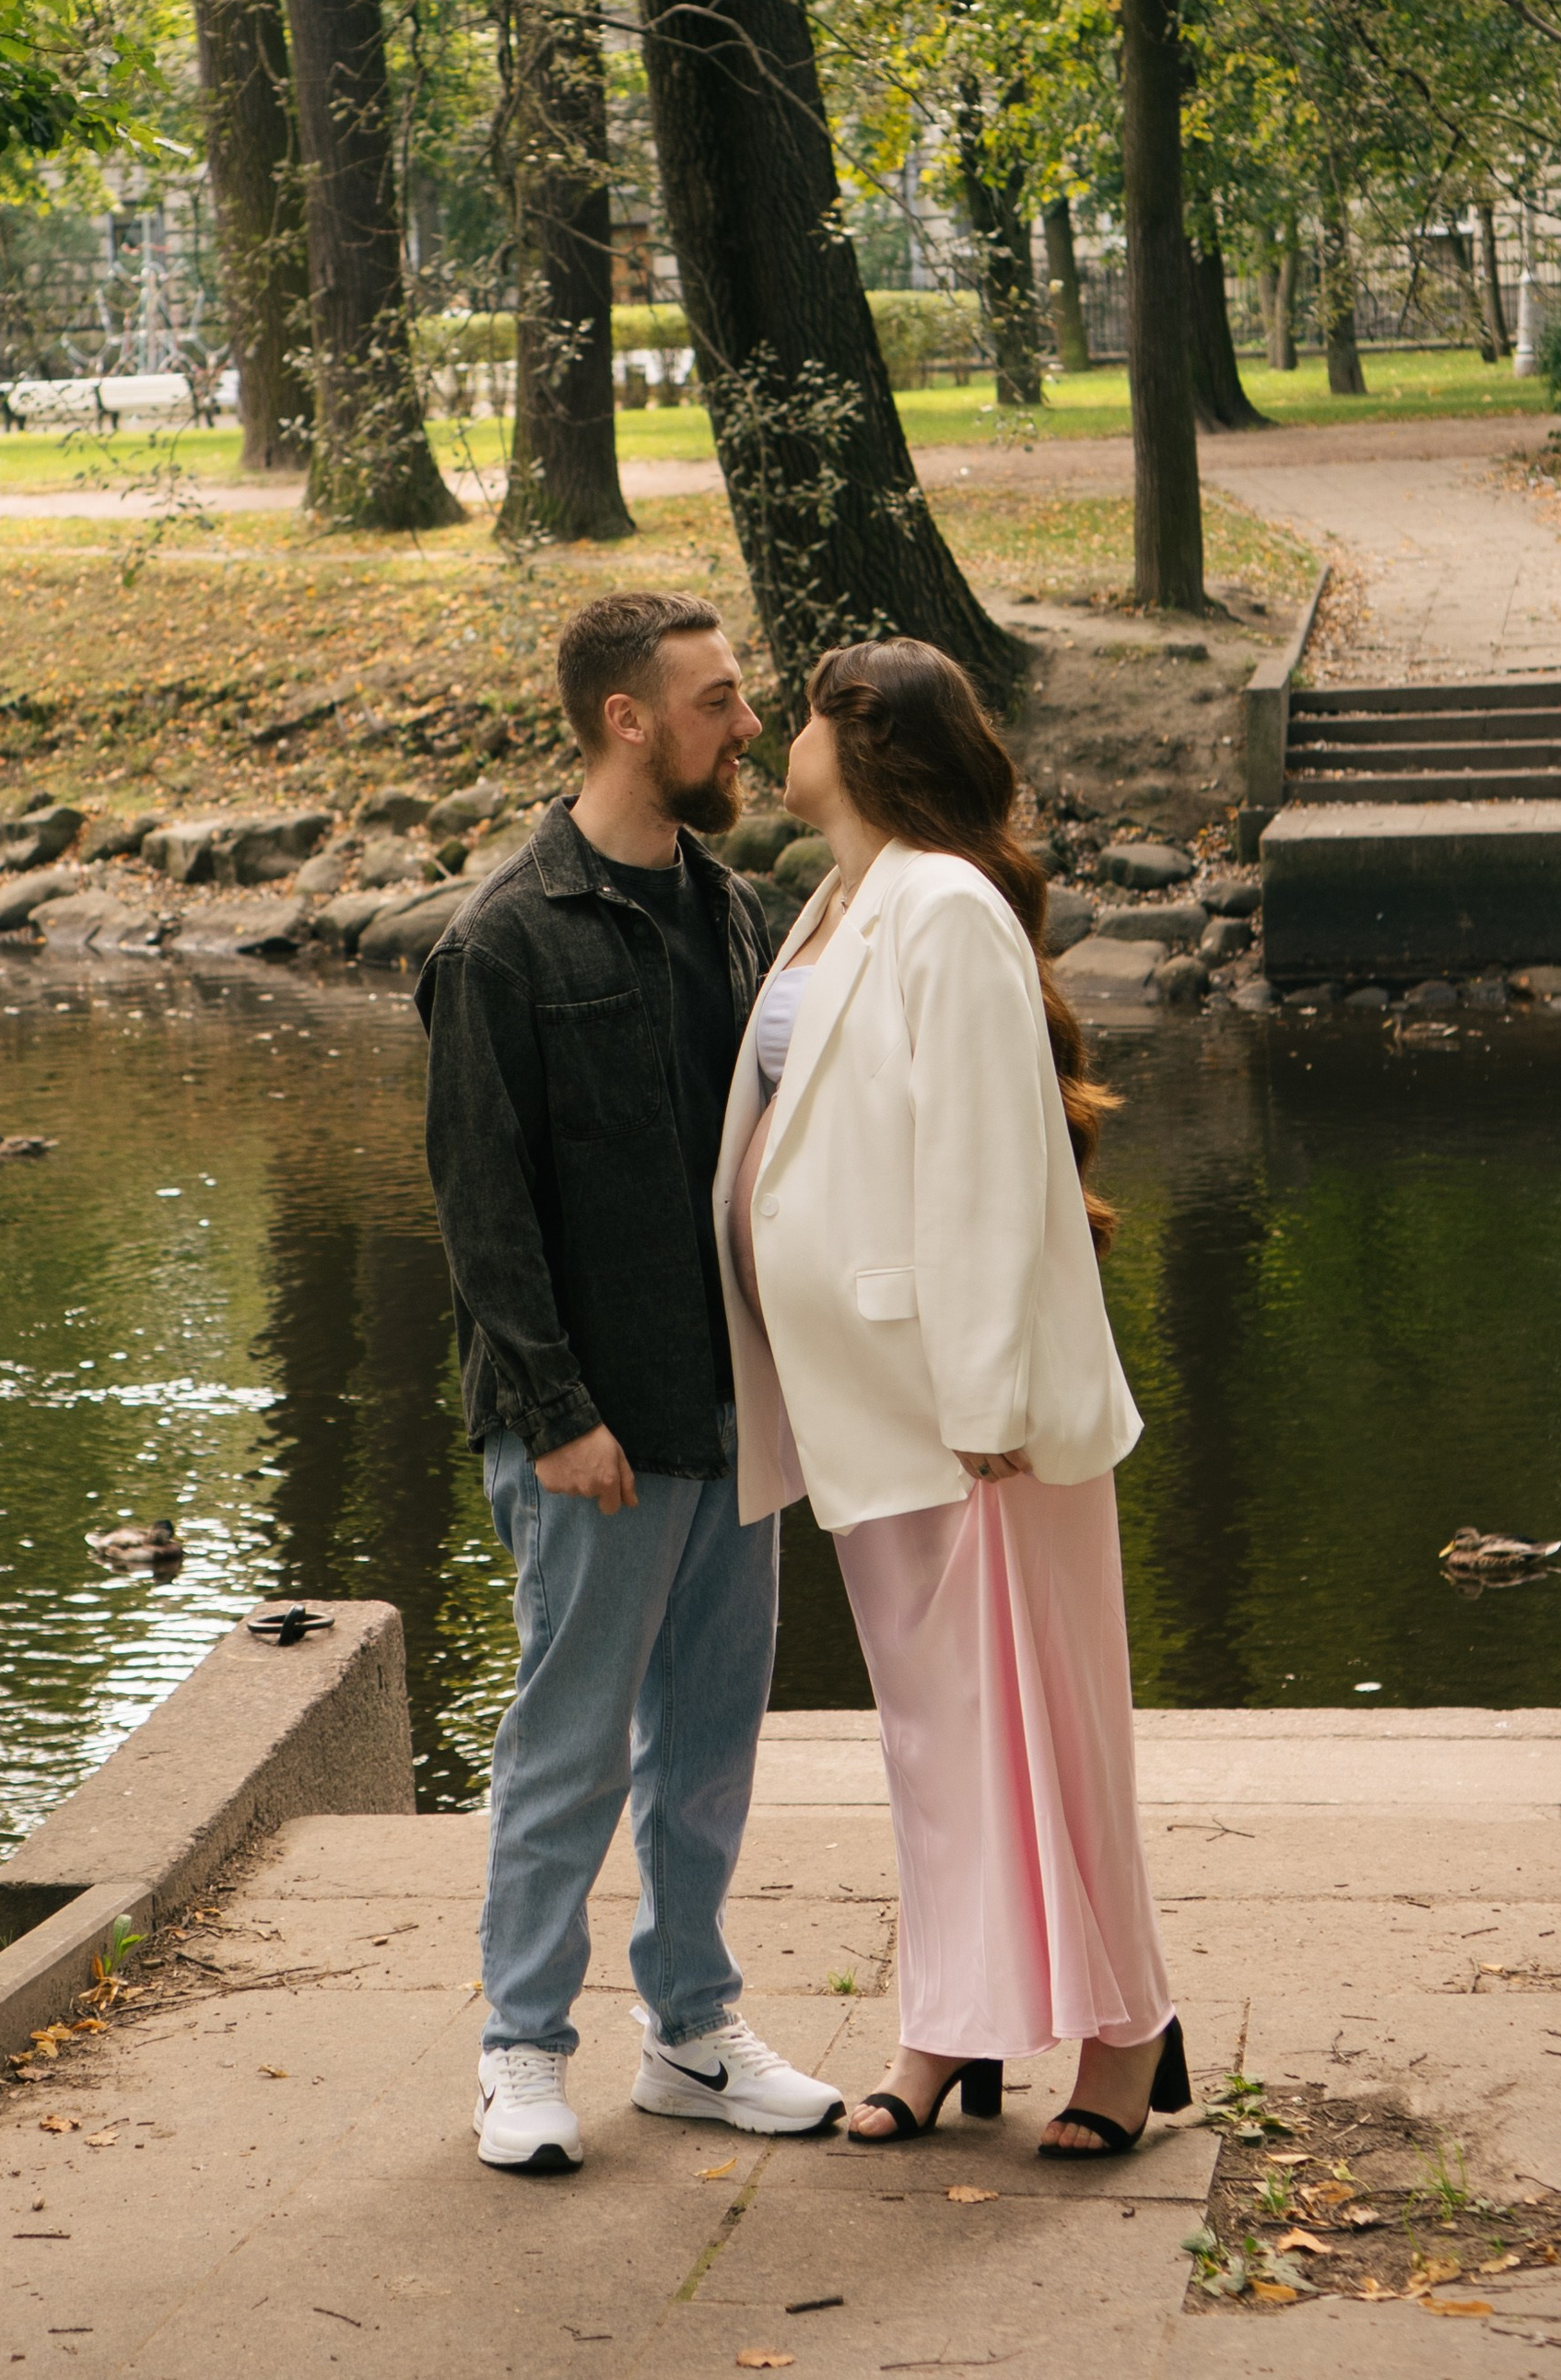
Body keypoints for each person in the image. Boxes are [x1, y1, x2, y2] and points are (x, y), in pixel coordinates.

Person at [714, 638, 1188, 2159]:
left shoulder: (946, 905)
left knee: (1046, 1726)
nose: (775, 736)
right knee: (934, 1742)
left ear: (860, 739)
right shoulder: (842, 898)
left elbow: (988, 1157)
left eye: (799, 713)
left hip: (971, 1416)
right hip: (867, 1399)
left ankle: (1126, 2034)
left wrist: (986, 1396)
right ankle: (952, 2021)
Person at [417, 590, 844, 2176]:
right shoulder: (500, 942)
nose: (748, 726)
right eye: (719, 701)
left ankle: (692, 2034)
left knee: (710, 1747)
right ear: (628, 719)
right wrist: (559, 1416)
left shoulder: (735, 913)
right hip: (591, 1433)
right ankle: (521, 2051)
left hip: (739, 1413)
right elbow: (483, 1212)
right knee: (571, 1748)